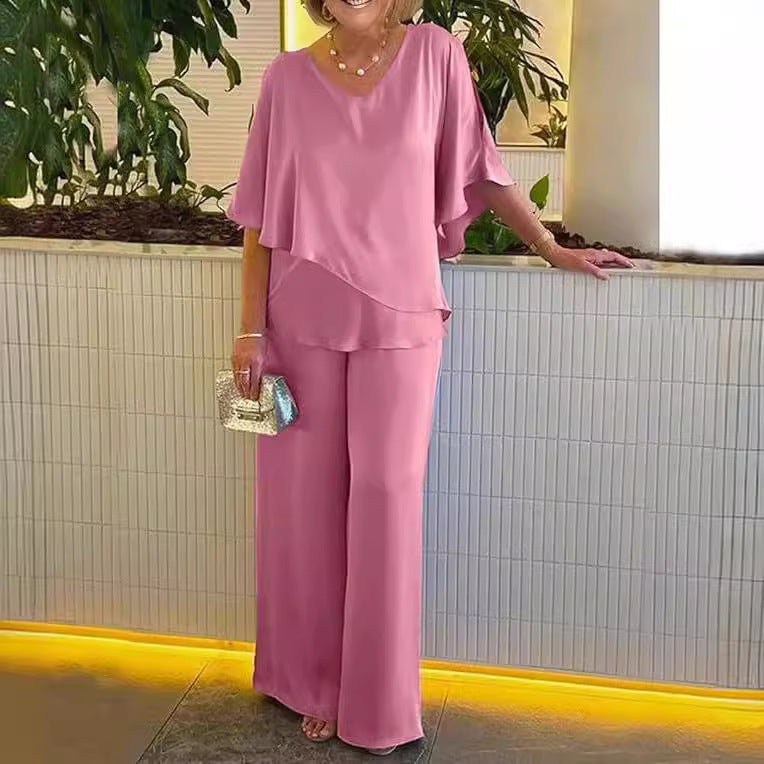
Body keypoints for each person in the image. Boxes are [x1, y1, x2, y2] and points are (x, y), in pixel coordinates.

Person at [227, 0, 633, 756]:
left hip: (404, 312)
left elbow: (481, 167)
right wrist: (251, 328)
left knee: (387, 496)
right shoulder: (285, 78)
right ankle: (316, 684)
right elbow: (256, 218)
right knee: (304, 507)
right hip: (300, 313)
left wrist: (550, 247)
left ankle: (376, 700)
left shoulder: (435, 56)